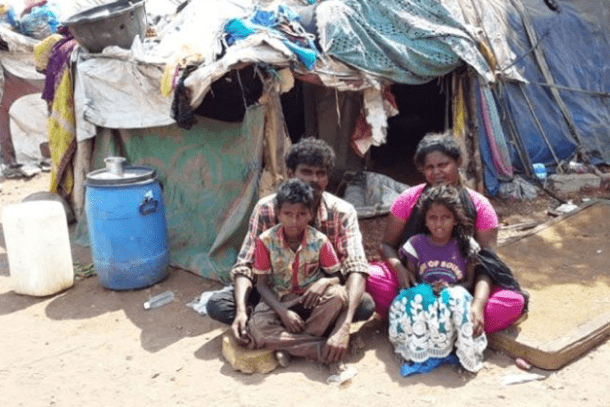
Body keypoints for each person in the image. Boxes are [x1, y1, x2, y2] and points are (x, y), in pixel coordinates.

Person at [206, 137, 375, 364]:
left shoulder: (342, 212)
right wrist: (241, 312)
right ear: (290, 172)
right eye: (307, 172)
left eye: (321, 173)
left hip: (318, 297)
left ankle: (282, 341)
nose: (314, 180)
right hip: (275, 294)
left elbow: (355, 268)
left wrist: (344, 325)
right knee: (220, 306)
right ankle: (314, 344)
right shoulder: (267, 208)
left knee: (362, 306)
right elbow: (246, 265)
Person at [366, 131, 526, 336]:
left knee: (512, 302)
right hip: (415, 286)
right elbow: (386, 245)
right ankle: (454, 329)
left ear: (458, 162)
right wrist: (400, 270)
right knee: (370, 276)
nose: (437, 172)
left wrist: (477, 304)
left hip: (462, 290)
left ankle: (419, 325)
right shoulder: (408, 199)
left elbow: (487, 265)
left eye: (443, 165)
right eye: (430, 167)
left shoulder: (480, 207)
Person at [246, 178, 346, 364]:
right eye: (288, 214)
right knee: (256, 325)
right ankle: (318, 348)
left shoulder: (319, 241)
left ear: (310, 214)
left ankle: (287, 346)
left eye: (301, 214)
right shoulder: (265, 241)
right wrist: (283, 312)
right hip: (279, 300)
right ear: (278, 214)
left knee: (338, 296)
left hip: (310, 301)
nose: (294, 221)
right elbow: (261, 285)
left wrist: (324, 282)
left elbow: (337, 276)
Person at [388, 184, 487, 373]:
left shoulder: (467, 245)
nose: (439, 224)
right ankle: (419, 350)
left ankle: (461, 351)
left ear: (455, 220)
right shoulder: (415, 244)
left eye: (446, 218)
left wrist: (449, 287)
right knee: (416, 296)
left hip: (451, 299)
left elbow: (468, 283)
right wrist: (429, 289)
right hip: (426, 300)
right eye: (432, 218)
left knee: (458, 297)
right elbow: (413, 280)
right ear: (424, 220)